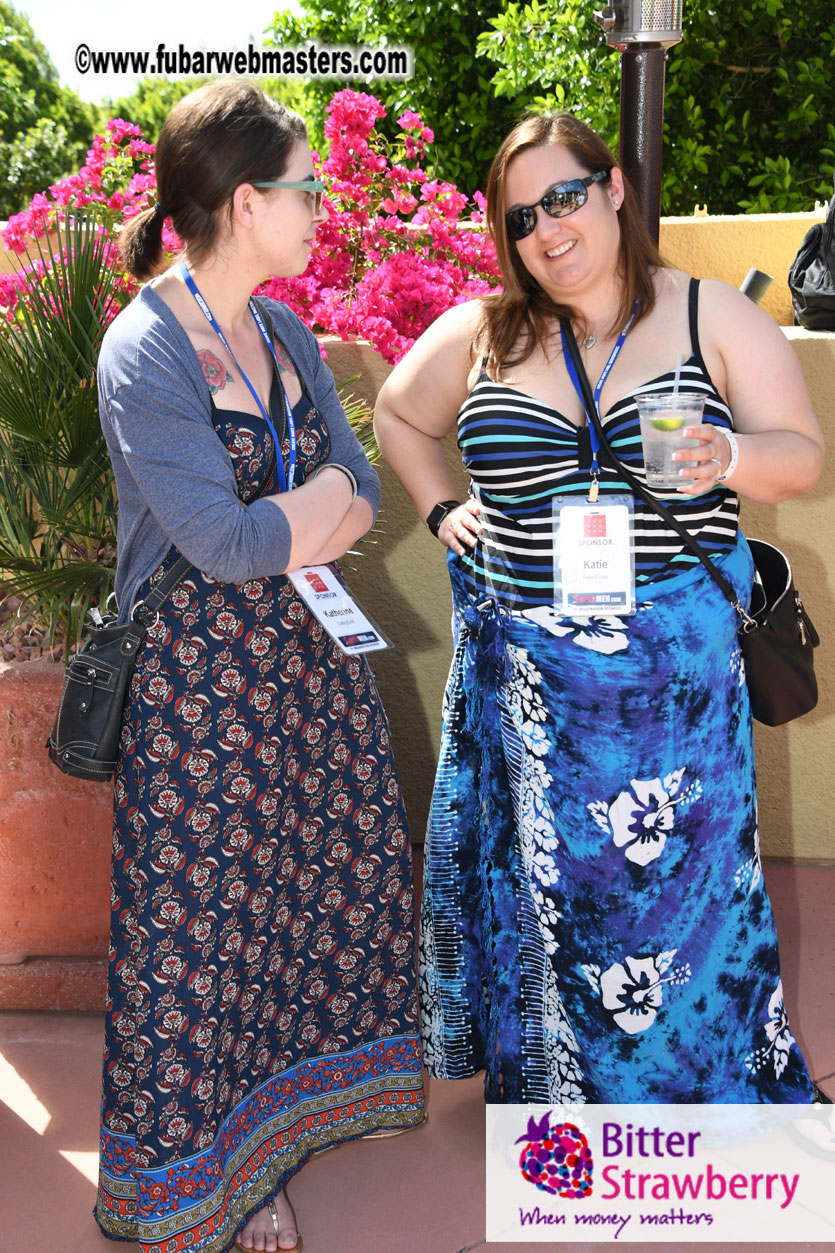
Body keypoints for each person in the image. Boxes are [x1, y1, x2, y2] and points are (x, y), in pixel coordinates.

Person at [374, 113, 827, 1106]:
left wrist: (731, 456)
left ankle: (687, 1082)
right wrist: (442, 506)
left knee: (680, 895)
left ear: (614, 187)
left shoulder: (713, 316)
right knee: (551, 899)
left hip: (674, 681)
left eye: (566, 197)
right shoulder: (482, 329)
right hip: (525, 681)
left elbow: (802, 452)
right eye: (522, 213)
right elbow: (398, 413)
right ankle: (560, 1091)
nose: (547, 228)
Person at [94, 81, 426, 1253]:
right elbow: (226, 544)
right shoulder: (144, 350)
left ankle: (276, 1134)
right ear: (247, 202)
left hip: (304, 665)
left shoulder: (284, 333)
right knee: (200, 933)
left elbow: (367, 487)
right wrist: (323, 501)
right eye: (306, 187)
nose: (321, 204)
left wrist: (324, 502)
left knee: (301, 899)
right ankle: (205, 1184)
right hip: (198, 692)